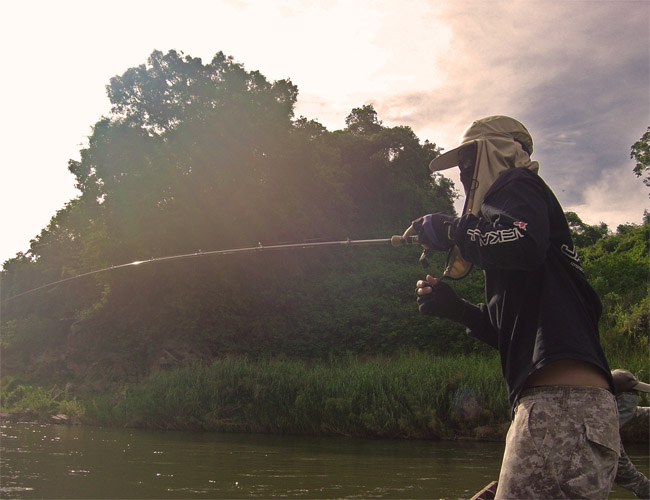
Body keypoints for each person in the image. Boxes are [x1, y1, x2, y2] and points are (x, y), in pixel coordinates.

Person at [406, 116, 619, 499]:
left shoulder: (515, 184)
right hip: (571, 409)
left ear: (494, 153)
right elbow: (516, 336)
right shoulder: (520, 224)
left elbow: (523, 242)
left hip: (560, 406)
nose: (462, 175)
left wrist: (456, 231)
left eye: (467, 162)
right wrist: (456, 309)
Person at [612, 369, 650, 499]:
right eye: (632, 393)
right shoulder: (604, 431)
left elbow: (640, 414)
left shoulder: (616, 412)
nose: (636, 398)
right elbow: (626, 473)